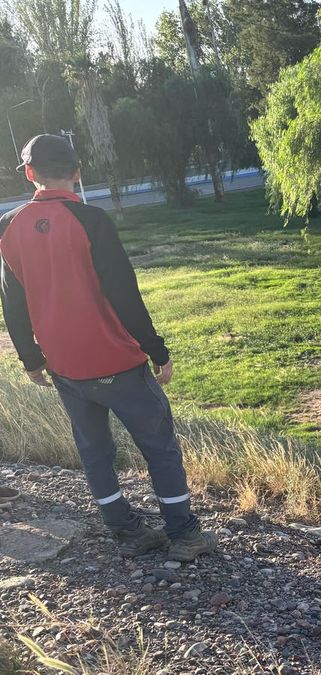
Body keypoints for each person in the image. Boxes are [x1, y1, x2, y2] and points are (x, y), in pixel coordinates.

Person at [0, 134, 216, 561]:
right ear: (78, 172)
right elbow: (124, 294)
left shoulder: (8, 227)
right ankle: (185, 534)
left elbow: (13, 301)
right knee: (160, 448)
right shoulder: (92, 221)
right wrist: (157, 349)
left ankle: (125, 530)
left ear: (29, 174)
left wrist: (31, 360)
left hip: (65, 367)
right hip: (117, 360)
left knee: (94, 450)